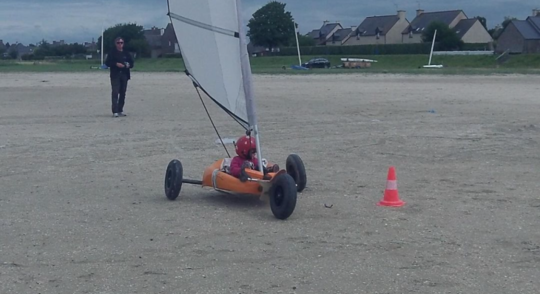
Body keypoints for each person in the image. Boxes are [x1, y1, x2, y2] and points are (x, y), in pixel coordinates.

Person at [105, 37, 134, 117]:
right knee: (115, 92)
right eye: (118, 43)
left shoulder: (126, 53)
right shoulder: (112, 53)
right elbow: (107, 63)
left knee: (123, 93)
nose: (120, 44)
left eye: (121, 43)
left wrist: (127, 65)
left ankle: (120, 109)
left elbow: (132, 63)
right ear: (115, 44)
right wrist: (116, 64)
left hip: (124, 74)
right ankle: (115, 111)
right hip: (115, 75)